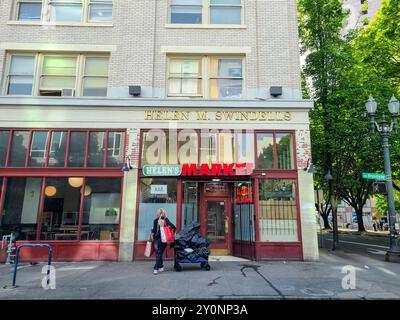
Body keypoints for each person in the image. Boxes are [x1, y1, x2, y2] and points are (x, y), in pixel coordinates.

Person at [150, 208, 176, 275]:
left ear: (161, 213)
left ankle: (156, 268)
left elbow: (173, 227)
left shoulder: (165, 220)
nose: (156, 214)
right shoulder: (155, 221)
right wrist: (151, 235)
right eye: (157, 212)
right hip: (156, 239)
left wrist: (170, 234)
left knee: (159, 253)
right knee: (158, 253)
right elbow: (153, 230)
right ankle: (161, 266)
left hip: (163, 240)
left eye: (158, 213)